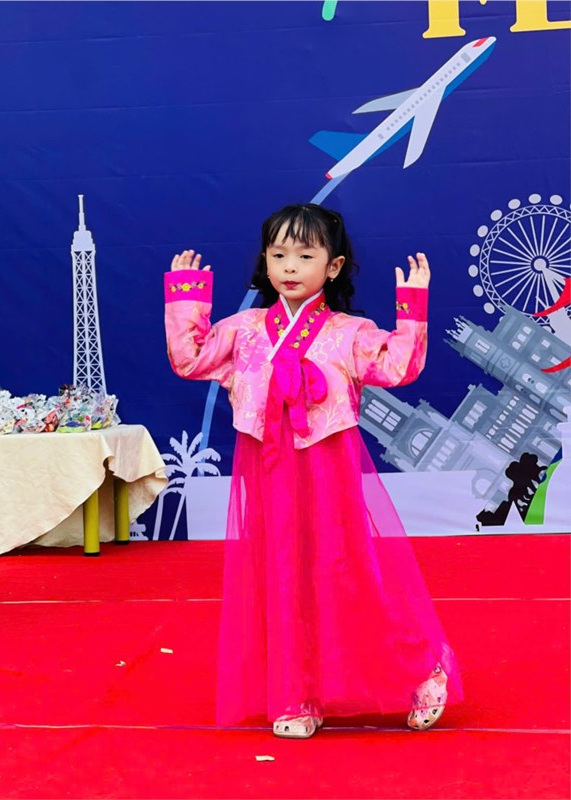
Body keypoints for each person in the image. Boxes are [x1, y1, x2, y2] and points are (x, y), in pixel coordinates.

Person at [164, 203, 462, 738]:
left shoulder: (349, 332)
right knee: (278, 577)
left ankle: (421, 671)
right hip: (266, 469)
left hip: (328, 470)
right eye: (279, 254)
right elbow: (190, 359)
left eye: (305, 255)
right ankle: (297, 694)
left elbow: (400, 366)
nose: (290, 266)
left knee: (347, 572)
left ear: (334, 265)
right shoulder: (244, 330)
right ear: (265, 260)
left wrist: (412, 307)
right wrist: (187, 298)